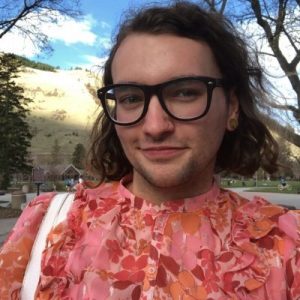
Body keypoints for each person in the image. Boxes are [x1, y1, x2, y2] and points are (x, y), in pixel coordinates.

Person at [1, 2, 300, 299]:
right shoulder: (47, 225)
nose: (155, 126)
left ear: (232, 107)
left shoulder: (286, 244)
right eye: (131, 98)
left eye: (185, 92)